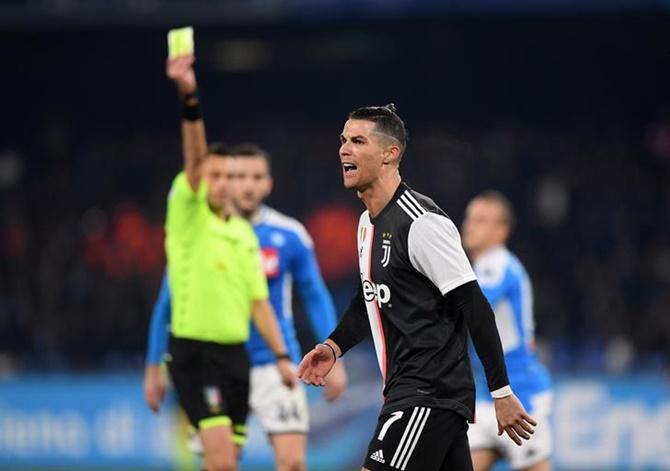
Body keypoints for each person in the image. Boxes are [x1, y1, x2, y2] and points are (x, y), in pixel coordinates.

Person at [298, 104, 536, 471]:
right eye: (343, 140)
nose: (344, 149)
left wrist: (501, 392)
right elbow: (370, 299)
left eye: (358, 141)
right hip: (423, 395)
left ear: (390, 154)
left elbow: (473, 305)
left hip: (426, 393)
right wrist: (334, 346)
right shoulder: (366, 224)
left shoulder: (421, 223)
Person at [145, 142, 348, 471]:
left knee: (294, 462)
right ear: (225, 180)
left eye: (256, 177)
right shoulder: (198, 233)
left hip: (275, 363)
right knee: (221, 464)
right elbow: (167, 302)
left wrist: (333, 354)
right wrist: (154, 364)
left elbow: (314, 294)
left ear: (269, 183)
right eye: (238, 176)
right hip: (218, 362)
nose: (247, 185)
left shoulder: (290, 234)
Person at [145, 53, 296, 471]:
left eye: (227, 175)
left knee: (223, 464)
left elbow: (258, 302)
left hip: (236, 358)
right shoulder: (188, 217)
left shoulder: (243, 234)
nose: (222, 182)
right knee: (224, 462)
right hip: (196, 356)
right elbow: (194, 159)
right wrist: (189, 97)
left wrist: (283, 356)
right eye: (213, 175)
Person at [462, 191, 553, 471]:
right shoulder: (478, 267)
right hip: (487, 393)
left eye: (481, 220)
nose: (469, 225)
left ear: (501, 231)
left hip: (519, 393)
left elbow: (469, 306)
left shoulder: (498, 262)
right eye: (469, 218)